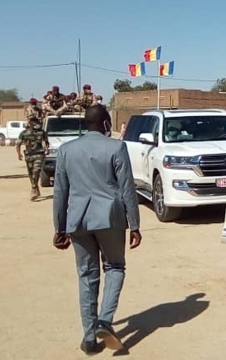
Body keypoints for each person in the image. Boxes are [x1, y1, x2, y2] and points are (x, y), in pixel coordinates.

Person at [52, 105, 141, 354]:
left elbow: (60, 192)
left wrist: (59, 227)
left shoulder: (67, 150)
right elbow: (127, 189)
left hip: (78, 221)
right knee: (115, 266)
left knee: (86, 275)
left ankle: (89, 338)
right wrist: (134, 225)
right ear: (104, 123)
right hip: (110, 219)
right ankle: (104, 320)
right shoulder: (116, 147)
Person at [16, 117, 49, 199]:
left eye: (37, 122)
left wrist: (46, 149)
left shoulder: (42, 132)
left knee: (36, 171)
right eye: (34, 123)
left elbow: (46, 141)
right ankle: (35, 187)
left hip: (39, 154)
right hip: (29, 156)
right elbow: (18, 144)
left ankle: (33, 189)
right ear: (30, 124)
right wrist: (19, 154)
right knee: (31, 173)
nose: (36, 124)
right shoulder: (24, 133)